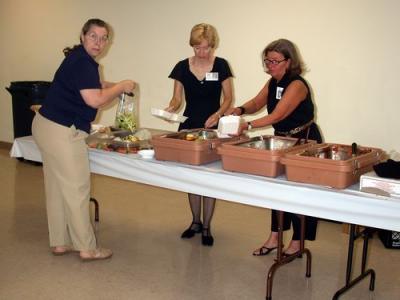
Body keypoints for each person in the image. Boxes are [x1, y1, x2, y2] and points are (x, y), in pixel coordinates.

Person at [32, 18, 135, 261]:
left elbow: (95, 88)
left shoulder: (78, 59)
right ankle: (87, 248)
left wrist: (116, 86)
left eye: (103, 38)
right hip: (62, 132)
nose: (98, 42)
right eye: (93, 36)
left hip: (45, 126)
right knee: (77, 189)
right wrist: (121, 86)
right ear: (83, 35)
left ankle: (59, 242)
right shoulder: (84, 63)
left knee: (57, 188)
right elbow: (95, 100)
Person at [226, 38, 322, 257]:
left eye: (275, 61)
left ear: (289, 62)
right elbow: (257, 103)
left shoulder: (297, 84)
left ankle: (297, 242)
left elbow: (278, 115)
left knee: (299, 193)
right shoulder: (273, 82)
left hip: (303, 141)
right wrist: (240, 110)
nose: (270, 65)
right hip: (282, 139)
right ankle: (275, 236)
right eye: (267, 60)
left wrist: (248, 124)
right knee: (276, 190)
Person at [165, 23, 233, 246]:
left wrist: (218, 114)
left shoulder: (221, 65)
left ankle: (207, 226)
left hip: (212, 127)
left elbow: (229, 99)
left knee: (209, 178)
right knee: (191, 178)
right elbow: (177, 99)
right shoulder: (182, 67)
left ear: (213, 46)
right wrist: (170, 109)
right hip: (189, 127)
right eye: (197, 48)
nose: (202, 53)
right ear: (192, 46)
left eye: (206, 48)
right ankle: (195, 221)